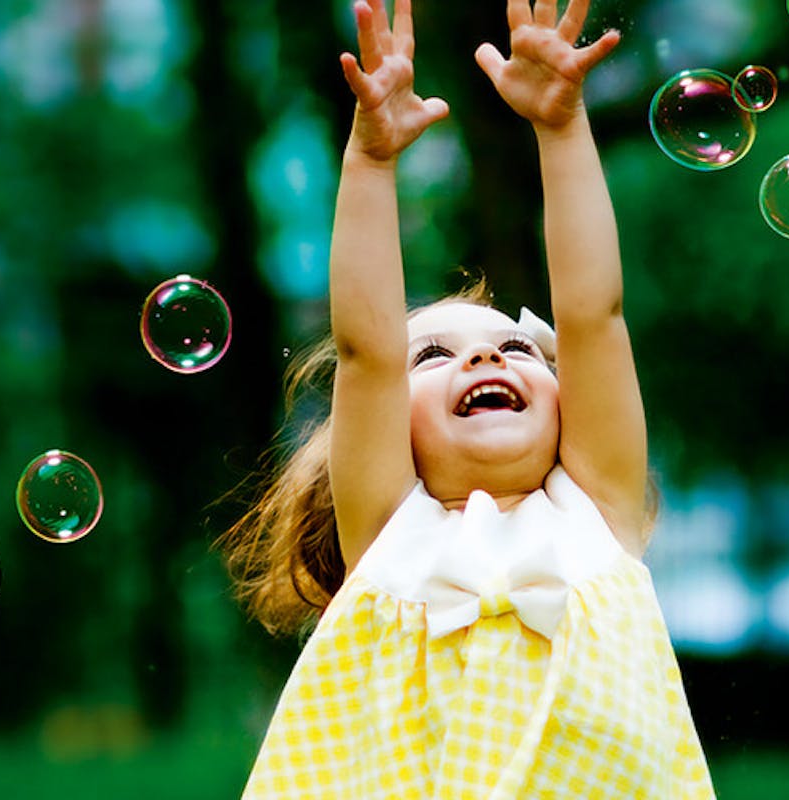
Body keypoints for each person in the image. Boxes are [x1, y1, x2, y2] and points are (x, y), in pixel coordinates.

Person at [215, 0, 715, 796]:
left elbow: (593, 314)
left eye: (519, 346)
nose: (485, 352)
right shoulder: (390, 533)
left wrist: (561, 128)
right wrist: (371, 162)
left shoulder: (597, 512)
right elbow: (365, 349)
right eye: (433, 357)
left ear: (566, 401)